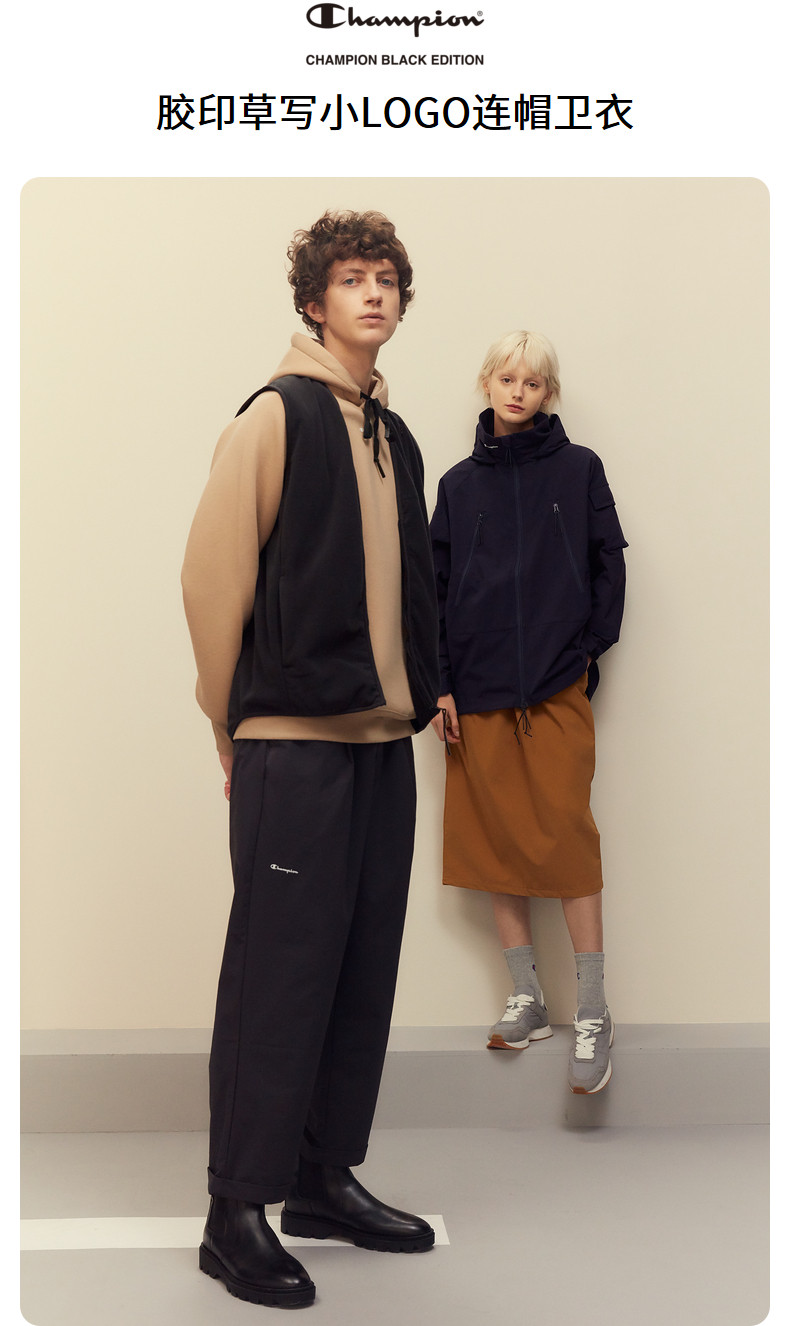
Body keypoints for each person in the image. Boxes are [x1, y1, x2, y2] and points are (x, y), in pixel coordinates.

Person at [181, 210, 440, 1309]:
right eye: (351, 279)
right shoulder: (274, 417)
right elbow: (212, 583)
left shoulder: (395, 435)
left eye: (386, 279)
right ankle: (235, 1211)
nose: (373, 293)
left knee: (359, 972)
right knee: (278, 976)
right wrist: (230, 724)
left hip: (382, 749)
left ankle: (323, 1180)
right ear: (312, 302)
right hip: (292, 747)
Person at [429, 330, 627, 1096]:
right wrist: (440, 684)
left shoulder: (579, 470)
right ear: (488, 383)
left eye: (533, 382)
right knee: (492, 840)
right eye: (507, 378)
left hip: (553, 686)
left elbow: (609, 562)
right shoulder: (456, 487)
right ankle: (528, 997)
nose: (518, 392)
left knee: (568, 838)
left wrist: (586, 651)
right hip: (475, 691)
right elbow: (432, 592)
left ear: (548, 393)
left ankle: (594, 1008)